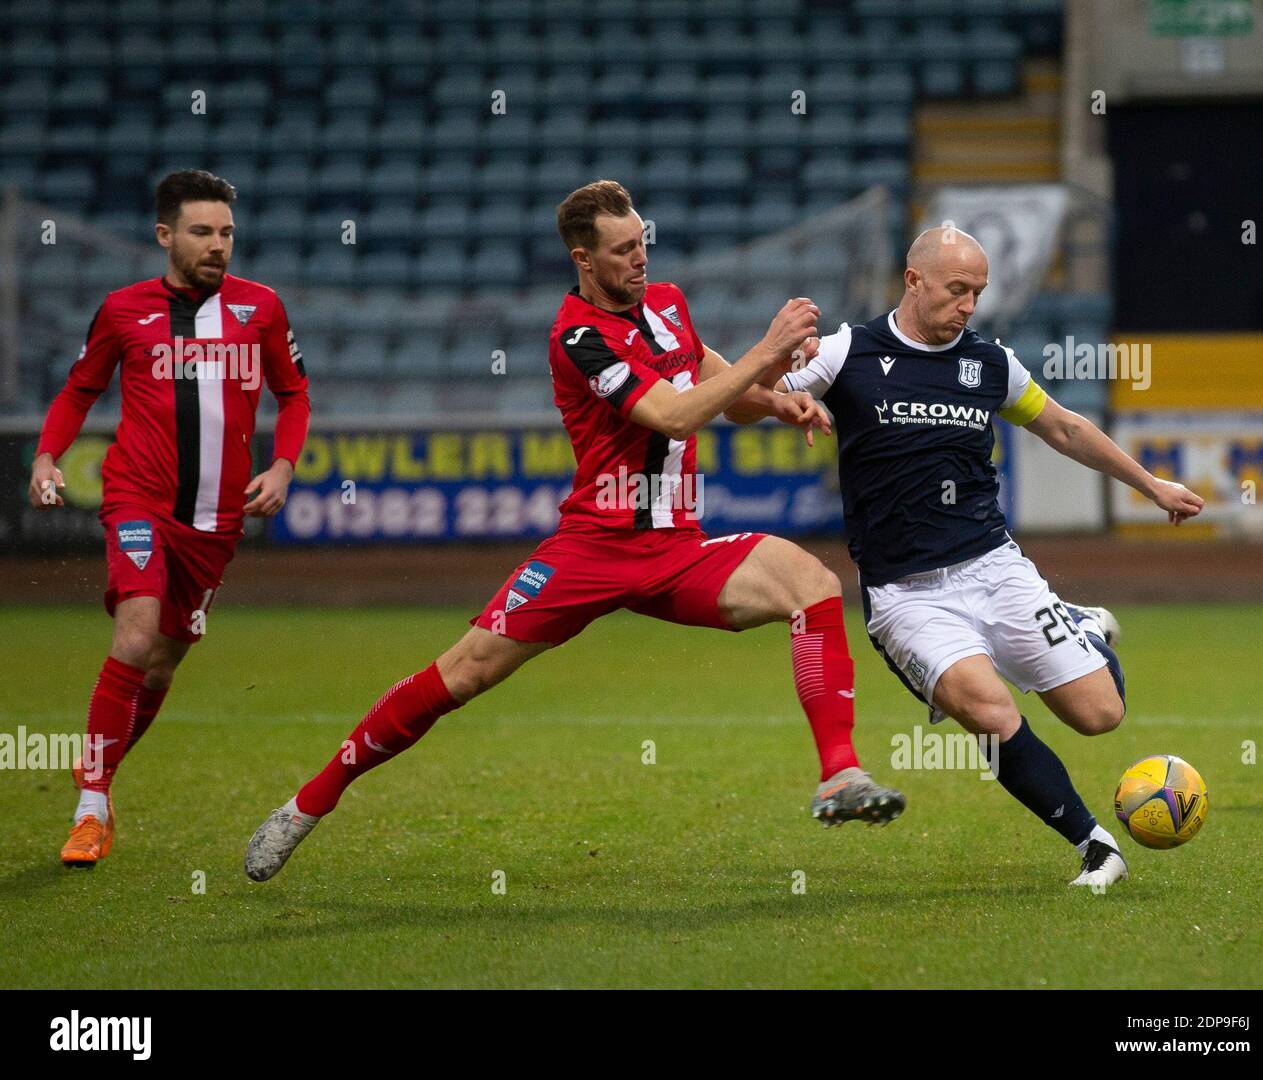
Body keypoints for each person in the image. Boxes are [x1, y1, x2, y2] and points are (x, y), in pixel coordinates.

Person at [245, 180, 904, 882]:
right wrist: (767, 347)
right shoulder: (578, 338)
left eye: (642, 242)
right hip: (592, 550)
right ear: (583, 258)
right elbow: (674, 416)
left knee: (814, 583)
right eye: (623, 251)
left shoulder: (670, 306)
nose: (639, 259)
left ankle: (839, 776)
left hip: (678, 549)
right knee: (462, 673)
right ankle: (308, 804)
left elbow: (718, 390)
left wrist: (776, 400)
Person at [769, 225, 1204, 888]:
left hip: (995, 569)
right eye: (957, 289)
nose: (969, 305)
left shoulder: (990, 364)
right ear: (913, 281)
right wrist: (779, 378)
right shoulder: (846, 351)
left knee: (1100, 716)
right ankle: (1095, 846)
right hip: (907, 594)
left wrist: (1151, 485)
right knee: (992, 712)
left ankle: (1081, 626)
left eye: (978, 292)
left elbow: (1063, 425)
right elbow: (749, 397)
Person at [30, 169, 311, 867]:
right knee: (136, 632)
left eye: (226, 233)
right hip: (138, 499)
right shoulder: (124, 310)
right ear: (164, 236)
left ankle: (100, 770)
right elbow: (79, 389)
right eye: (202, 233)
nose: (218, 245)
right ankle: (90, 807)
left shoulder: (262, 309)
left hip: (215, 521)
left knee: (162, 664)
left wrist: (281, 468)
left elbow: (294, 394)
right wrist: (44, 457)